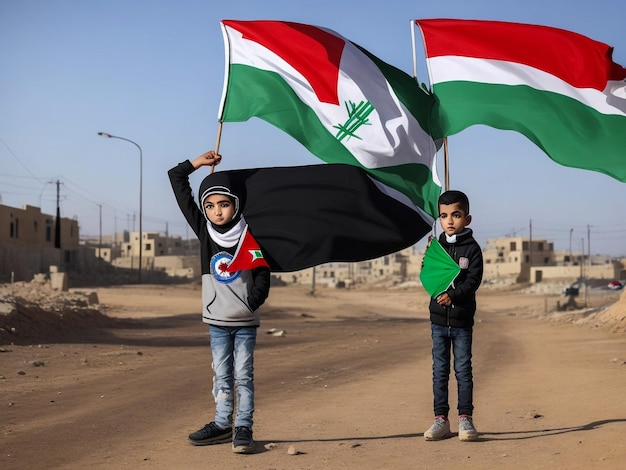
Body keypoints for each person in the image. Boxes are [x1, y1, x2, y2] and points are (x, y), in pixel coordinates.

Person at [167, 150, 271, 454]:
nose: (217, 212)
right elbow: (176, 179)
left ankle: (243, 428)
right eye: (209, 206)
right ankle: (222, 423)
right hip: (216, 321)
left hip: (244, 322)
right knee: (222, 374)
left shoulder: (248, 237)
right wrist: (197, 164)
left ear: (235, 205)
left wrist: (251, 302)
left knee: (243, 376)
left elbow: (263, 273)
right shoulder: (205, 232)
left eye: (223, 204)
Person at [423, 190, 483, 442]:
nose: (449, 221)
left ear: (466, 219)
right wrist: (430, 257)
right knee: (440, 372)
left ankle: (465, 419)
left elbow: (473, 280)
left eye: (455, 215)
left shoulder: (472, 249)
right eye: (444, 215)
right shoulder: (437, 247)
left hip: (461, 322)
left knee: (462, 370)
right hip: (438, 321)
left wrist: (454, 295)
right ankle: (440, 420)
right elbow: (429, 276)